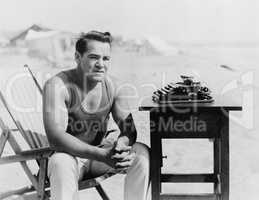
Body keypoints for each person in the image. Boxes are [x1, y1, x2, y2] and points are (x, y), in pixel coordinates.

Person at [42, 31, 150, 200]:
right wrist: (103, 155)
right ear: (78, 57)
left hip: (99, 157)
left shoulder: (114, 86)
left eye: (106, 59)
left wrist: (121, 144)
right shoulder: (57, 85)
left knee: (141, 153)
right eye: (94, 57)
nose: (101, 64)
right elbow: (55, 138)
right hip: (70, 158)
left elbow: (128, 129)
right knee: (60, 162)